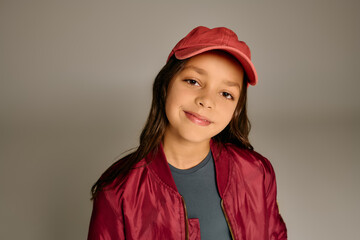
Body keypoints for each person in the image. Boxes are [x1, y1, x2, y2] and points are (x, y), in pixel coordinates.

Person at [87, 26, 287, 240]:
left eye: (226, 93)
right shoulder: (117, 190)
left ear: (236, 109)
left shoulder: (257, 173)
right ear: (166, 84)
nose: (207, 101)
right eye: (193, 81)